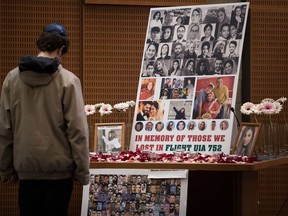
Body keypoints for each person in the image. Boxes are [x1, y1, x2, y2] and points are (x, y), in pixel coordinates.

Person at [0, 23, 90, 215]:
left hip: (26, 171)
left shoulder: (11, 79)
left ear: (39, 47)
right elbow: (78, 131)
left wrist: (6, 169)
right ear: (61, 49)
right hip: (59, 174)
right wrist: (82, 172)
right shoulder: (68, 81)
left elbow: (5, 129)